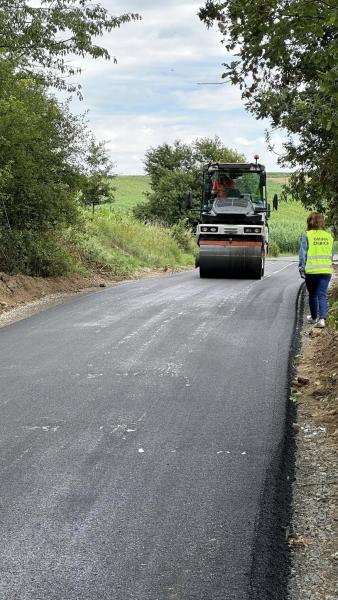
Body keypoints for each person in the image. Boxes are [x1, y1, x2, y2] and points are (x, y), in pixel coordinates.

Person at [299, 212, 334, 328]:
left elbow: (303, 254)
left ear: (309, 222)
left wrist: (301, 268)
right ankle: (322, 319)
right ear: (321, 222)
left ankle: (314, 318)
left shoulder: (308, 235)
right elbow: (331, 254)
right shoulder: (329, 236)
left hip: (312, 272)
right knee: (322, 295)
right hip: (326, 271)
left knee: (313, 294)